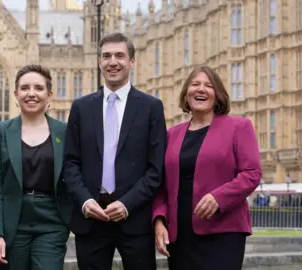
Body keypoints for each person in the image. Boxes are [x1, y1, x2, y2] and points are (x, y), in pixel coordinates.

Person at [63, 32, 167, 270]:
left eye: (120, 55)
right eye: (106, 56)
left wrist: (127, 203)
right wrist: (85, 200)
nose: (113, 62)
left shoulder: (151, 107)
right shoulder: (81, 107)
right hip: (91, 218)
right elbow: (70, 163)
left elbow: (156, 168)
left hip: (135, 219)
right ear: (99, 61)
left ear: (132, 61)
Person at [152, 65, 262, 270]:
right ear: (186, 95)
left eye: (208, 85)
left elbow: (252, 173)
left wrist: (218, 197)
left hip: (223, 233)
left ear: (218, 96)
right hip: (180, 236)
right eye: (195, 84)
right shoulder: (171, 135)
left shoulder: (239, 127)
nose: (201, 89)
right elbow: (161, 185)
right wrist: (159, 220)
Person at [0, 64, 72, 270]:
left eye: (38, 88)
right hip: (12, 224)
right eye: (25, 88)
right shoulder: (1, 131)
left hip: (52, 223)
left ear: (49, 95)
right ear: (16, 94)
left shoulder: (64, 132)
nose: (31, 93)